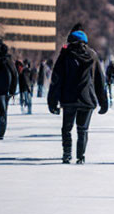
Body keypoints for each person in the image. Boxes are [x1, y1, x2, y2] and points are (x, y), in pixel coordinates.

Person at [47, 27, 109, 164]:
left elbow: (56, 80)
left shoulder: (65, 55)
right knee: (83, 130)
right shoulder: (92, 55)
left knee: (67, 129)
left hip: (69, 99)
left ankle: (67, 155)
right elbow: (100, 79)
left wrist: (52, 101)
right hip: (88, 99)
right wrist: (103, 101)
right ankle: (80, 157)